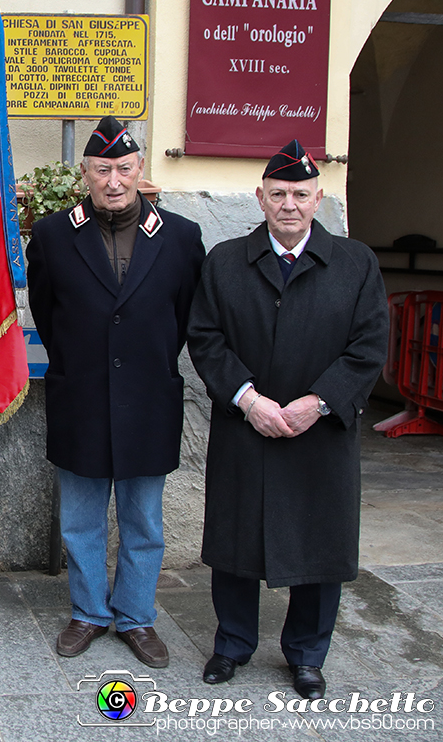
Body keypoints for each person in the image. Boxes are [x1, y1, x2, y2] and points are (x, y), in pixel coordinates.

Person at [187, 139, 388, 700]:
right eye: (278, 194)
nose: (290, 205)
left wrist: (316, 402)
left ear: (319, 199)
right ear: (260, 198)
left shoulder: (356, 263)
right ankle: (232, 644)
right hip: (246, 426)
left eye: (300, 194)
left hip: (320, 432)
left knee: (320, 545)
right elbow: (205, 338)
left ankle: (306, 654)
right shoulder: (226, 261)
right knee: (235, 541)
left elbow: (369, 346)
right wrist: (249, 400)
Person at [26, 116, 204, 669]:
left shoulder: (179, 236)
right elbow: (47, 313)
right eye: (102, 169)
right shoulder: (55, 235)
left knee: (144, 521)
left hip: (148, 400)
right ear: (85, 173)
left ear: (140, 169)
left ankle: (135, 616)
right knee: (80, 520)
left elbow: (183, 318)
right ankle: (88, 613)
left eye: (124, 168)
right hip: (81, 397)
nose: (114, 180)